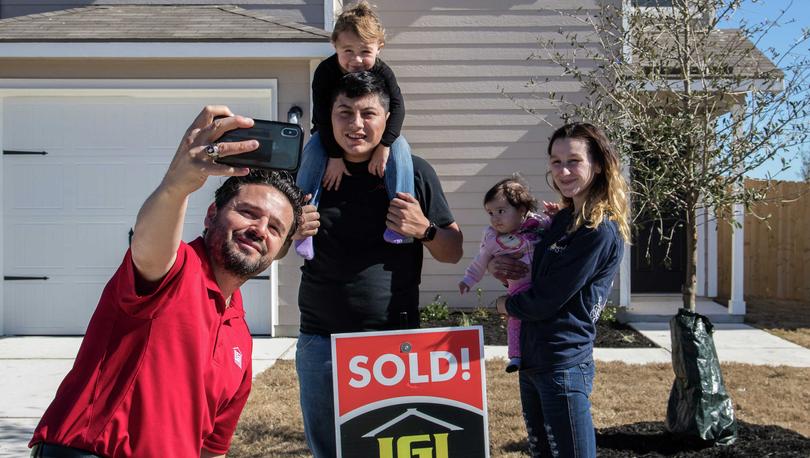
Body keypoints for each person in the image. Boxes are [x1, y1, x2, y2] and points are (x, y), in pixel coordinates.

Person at [28, 107, 305, 458]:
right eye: (248, 212)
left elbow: (211, 450)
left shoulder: (240, 340)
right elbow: (147, 245)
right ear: (211, 215)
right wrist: (177, 185)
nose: (259, 229)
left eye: (275, 228)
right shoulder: (172, 269)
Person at [290, 71, 464, 458]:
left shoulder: (414, 172)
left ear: (387, 118)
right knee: (328, 451)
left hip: (392, 345)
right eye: (344, 112)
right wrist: (290, 230)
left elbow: (453, 251)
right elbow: (267, 250)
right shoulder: (308, 175)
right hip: (320, 342)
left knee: (392, 449)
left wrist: (425, 229)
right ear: (328, 117)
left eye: (368, 113)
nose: (355, 124)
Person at [492, 123, 630, 458]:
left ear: (597, 165)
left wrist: (503, 305)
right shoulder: (563, 220)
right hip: (534, 359)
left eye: (574, 161)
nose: (564, 170)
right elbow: (536, 275)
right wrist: (504, 270)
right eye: (556, 161)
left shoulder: (598, 230)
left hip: (562, 364)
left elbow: (547, 299)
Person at [294, 0, 414, 260]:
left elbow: (398, 109)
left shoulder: (383, 72)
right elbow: (322, 118)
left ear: (379, 48)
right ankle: (301, 222)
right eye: (347, 50)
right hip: (329, 133)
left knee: (402, 148)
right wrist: (335, 156)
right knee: (313, 151)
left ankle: (400, 219)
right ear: (334, 45)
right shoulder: (325, 72)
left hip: (379, 136)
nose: (356, 60)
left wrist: (384, 147)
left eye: (365, 51)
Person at [457, 177, 554, 373]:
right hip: (518, 286)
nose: (495, 218)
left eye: (501, 211)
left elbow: (556, 229)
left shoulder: (539, 223)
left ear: (521, 209)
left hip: (544, 283)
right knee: (515, 318)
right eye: (490, 213)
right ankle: (515, 356)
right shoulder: (494, 238)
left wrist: (555, 215)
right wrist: (468, 280)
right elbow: (480, 260)